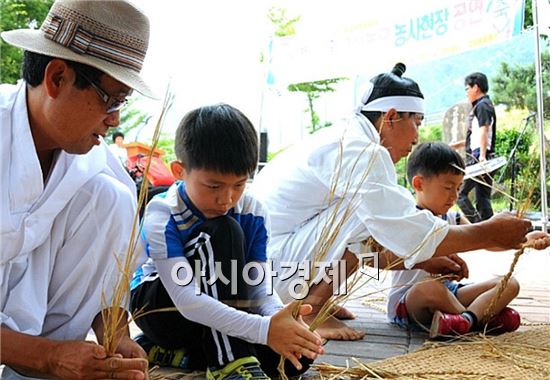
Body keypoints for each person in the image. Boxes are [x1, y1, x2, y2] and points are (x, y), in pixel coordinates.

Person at [250, 63, 536, 342]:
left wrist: (428, 256)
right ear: (391, 116)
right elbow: (399, 230)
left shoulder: (349, 138)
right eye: (417, 123)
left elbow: (373, 248)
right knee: (365, 210)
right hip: (274, 275)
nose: (417, 137)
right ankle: (311, 308)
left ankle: (314, 299)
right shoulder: (359, 149)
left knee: (368, 212)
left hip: (275, 269)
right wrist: (489, 232)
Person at [0, 1, 155, 379]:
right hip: (37, 349)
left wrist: (113, 334)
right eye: (112, 100)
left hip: (32, 347)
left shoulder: (90, 161)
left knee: (112, 200)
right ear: (57, 78)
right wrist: (50, 356)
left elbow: (108, 275)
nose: (115, 119)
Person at [130, 104, 324, 379]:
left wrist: (280, 319)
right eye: (214, 186)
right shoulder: (162, 213)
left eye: (239, 185)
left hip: (213, 312)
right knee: (223, 231)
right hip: (162, 308)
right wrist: (264, 330)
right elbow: (185, 298)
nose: (227, 199)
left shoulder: (253, 211)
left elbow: (256, 282)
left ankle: (172, 353)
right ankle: (229, 362)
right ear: (179, 171)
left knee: (294, 360)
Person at [388, 142, 539, 338]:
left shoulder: (453, 218)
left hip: (451, 293)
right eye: (448, 187)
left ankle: (464, 321)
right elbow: (384, 258)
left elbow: (487, 240)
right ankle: (482, 319)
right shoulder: (407, 219)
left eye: (459, 188)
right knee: (429, 288)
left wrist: (527, 240)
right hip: (410, 300)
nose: (455, 196)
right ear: (419, 184)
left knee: (509, 283)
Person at [450, 72, 497, 223]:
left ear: (475, 87)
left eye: (467, 88)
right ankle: (489, 230)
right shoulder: (484, 105)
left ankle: (477, 226)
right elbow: (477, 135)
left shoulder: (482, 105)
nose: (466, 92)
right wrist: (458, 145)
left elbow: (484, 130)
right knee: (483, 198)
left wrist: (482, 157)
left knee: (460, 193)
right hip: (482, 155)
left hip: (480, 158)